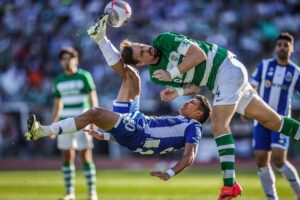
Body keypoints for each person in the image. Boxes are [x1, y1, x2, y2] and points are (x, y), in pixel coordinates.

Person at [86, 14, 300, 200]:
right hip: (220, 80)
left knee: (218, 125)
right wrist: (178, 91)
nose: (146, 49)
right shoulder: (155, 75)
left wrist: (172, 74)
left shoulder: (163, 40)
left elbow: (199, 55)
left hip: (225, 67)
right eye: (141, 54)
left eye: (142, 46)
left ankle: (229, 185)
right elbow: (196, 84)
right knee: (273, 121)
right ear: (141, 64)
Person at [25, 49, 212, 182]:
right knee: (131, 76)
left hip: (139, 131)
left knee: (94, 113)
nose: (187, 101)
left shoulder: (193, 126)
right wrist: (106, 136)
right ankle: (102, 38)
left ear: (198, 113)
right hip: (137, 128)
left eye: (192, 103)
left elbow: (190, 156)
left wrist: (170, 173)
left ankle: (42, 131)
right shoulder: (182, 121)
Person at [250, 33, 300, 200]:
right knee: (261, 160)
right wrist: (248, 108)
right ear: (275, 47)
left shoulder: (295, 72)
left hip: (281, 122)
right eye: (279, 44)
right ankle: (272, 198)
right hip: (260, 119)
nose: (282, 47)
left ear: (291, 49)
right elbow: (252, 87)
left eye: (286, 45)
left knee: (279, 160)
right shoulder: (264, 65)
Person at [51, 47, 99, 200]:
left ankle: (92, 192)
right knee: (66, 157)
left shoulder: (84, 76)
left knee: (85, 156)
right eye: (64, 58)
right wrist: (53, 126)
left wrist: (94, 120)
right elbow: (57, 105)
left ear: (75, 59)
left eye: (69, 58)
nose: (67, 61)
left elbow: (93, 98)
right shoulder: (58, 80)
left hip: (82, 121)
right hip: (64, 123)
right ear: (60, 62)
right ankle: (70, 193)